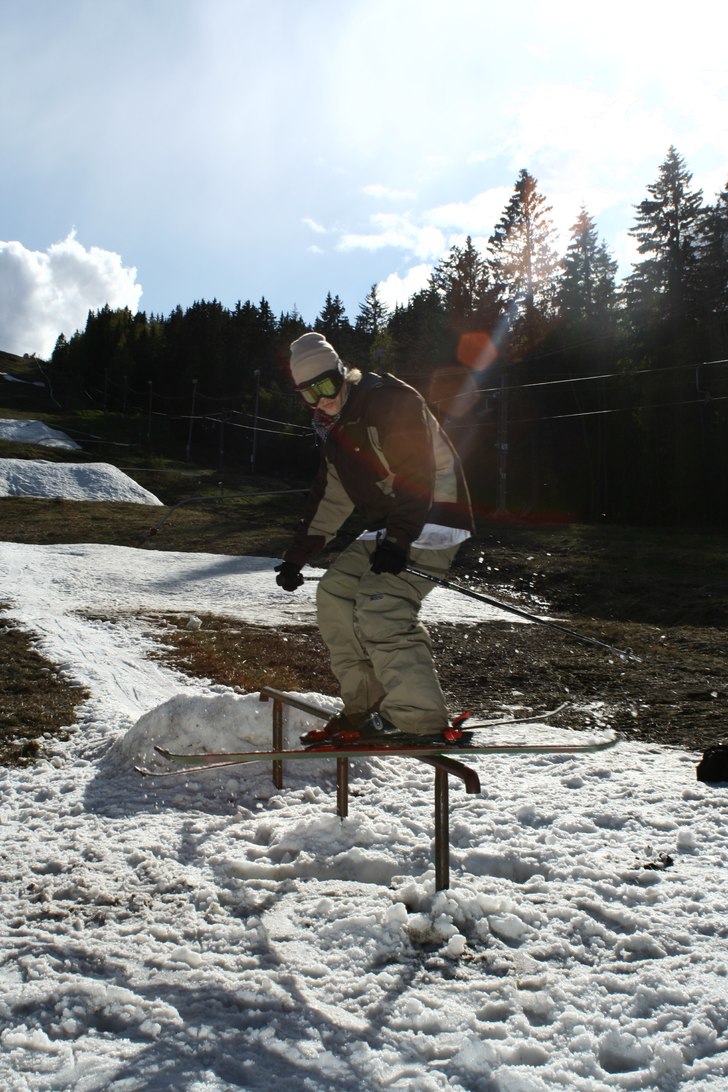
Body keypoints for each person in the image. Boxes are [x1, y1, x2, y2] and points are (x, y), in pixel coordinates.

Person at [275, 331, 474, 745]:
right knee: (335, 594)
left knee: (381, 603)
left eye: (326, 387)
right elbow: (331, 495)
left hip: (433, 517)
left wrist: (399, 541)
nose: (321, 401)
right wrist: (298, 556)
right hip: (394, 525)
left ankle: (419, 717)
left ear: (342, 373)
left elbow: (418, 476)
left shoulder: (388, 401)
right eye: (308, 395)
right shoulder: (337, 429)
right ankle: (365, 706)